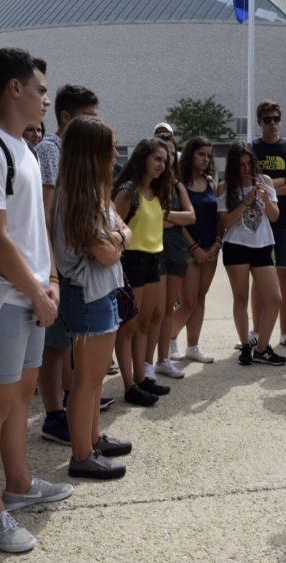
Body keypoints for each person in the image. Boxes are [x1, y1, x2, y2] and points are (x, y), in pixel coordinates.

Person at [0, 47, 73, 554]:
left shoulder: (27, 151)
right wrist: (37, 291)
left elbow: (35, 229)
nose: (46, 99)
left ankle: (18, 484)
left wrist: (52, 279)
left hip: (34, 296)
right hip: (1, 300)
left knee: (19, 398)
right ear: (14, 88)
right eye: (40, 89)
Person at [52, 116, 132, 479]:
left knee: (96, 378)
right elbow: (109, 253)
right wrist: (117, 237)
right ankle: (81, 455)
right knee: (86, 381)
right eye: (110, 148)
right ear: (92, 153)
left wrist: (117, 236)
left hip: (101, 292)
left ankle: (94, 438)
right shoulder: (76, 198)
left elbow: (123, 231)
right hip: (87, 295)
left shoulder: (94, 195)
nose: (115, 154)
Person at [36, 84, 107, 448]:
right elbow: (47, 214)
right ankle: (54, 415)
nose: (93, 123)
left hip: (69, 265)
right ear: (66, 117)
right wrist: (53, 269)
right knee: (54, 345)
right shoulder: (52, 150)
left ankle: (70, 405)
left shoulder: (73, 151)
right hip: (58, 265)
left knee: (68, 343)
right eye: (87, 117)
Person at [113, 138, 173, 405]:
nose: (162, 165)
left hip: (154, 260)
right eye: (157, 159)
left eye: (164, 160)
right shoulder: (128, 191)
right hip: (132, 261)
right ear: (142, 158)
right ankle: (129, 386)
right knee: (128, 327)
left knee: (145, 324)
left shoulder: (156, 190)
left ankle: (141, 378)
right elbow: (112, 229)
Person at [217, 142, 286, 366]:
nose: (246, 169)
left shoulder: (265, 181)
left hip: (262, 244)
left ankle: (262, 348)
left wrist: (265, 198)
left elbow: (274, 216)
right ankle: (246, 345)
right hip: (236, 245)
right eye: (241, 165)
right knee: (241, 298)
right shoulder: (226, 187)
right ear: (233, 166)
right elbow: (226, 222)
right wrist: (246, 201)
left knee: (274, 298)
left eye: (249, 163)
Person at [250, 100, 286, 351]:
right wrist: (285, 179)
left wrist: (271, 187)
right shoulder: (252, 149)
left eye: (276, 119)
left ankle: (285, 332)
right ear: (259, 122)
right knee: (259, 278)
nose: (272, 124)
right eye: (267, 120)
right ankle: (256, 331)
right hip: (259, 223)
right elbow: (252, 184)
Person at [147, 134, 196, 378]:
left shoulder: (177, 185)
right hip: (154, 250)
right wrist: (172, 219)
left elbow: (191, 216)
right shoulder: (148, 185)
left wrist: (166, 216)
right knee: (154, 311)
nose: (165, 159)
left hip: (176, 249)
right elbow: (148, 221)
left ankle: (163, 359)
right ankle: (146, 362)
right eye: (161, 153)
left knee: (167, 309)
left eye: (170, 153)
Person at [169, 136, 221, 364]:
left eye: (209, 155)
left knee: (200, 298)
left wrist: (217, 243)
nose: (205, 159)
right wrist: (194, 247)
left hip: (210, 249)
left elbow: (218, 216)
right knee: (188, 302)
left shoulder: (211, 182)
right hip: (187, 248)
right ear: (190, 154)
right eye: (201, 154)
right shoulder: (178, 184)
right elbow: (178, 222)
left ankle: (193, 346)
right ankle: (168, 338)